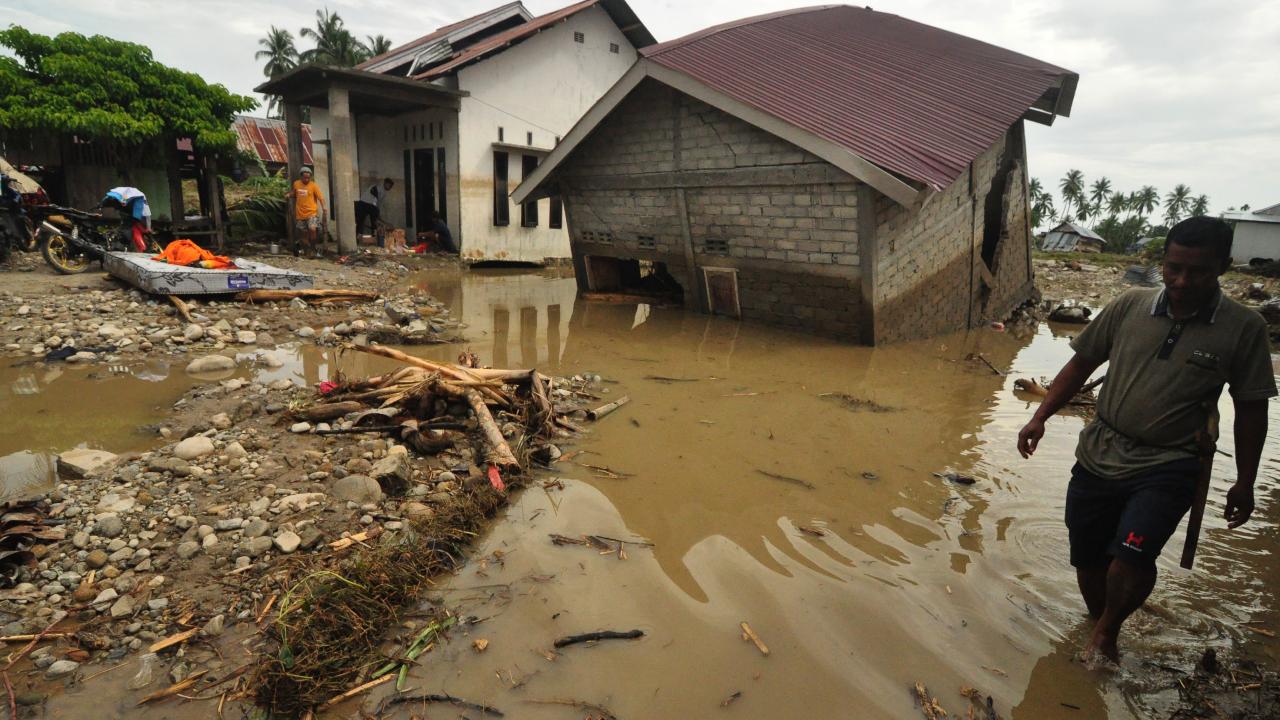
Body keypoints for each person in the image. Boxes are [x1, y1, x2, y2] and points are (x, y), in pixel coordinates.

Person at [1017, 216, 1274, 663]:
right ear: (1163, 261)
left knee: (1131, 559)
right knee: (1088, 558)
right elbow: (1081, 365)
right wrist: (1040, 416)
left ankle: (1107, 632)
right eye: (1173, 267)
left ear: (1223, 267)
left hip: (1170, 462)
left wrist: (1245, 481)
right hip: (1100, 450)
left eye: (1197, 271)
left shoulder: (1243, 327)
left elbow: (1252, 408)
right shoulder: (1129, 305)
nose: (1181, 280)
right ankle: (1100, 619)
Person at [287, 167, 326, 257]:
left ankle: (313, 248)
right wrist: (289, 195)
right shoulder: (296, 184)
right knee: (303, 235)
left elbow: (321, 197)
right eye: (305, 177)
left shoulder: (313, 186)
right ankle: (308, 250)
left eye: (308, 178)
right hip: (300, 214)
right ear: (301, 177)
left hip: (311, 213)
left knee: (312, 229)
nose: (306, 179)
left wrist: (324, 207)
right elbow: (294, 193)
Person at [100, 187, 151, 252]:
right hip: (132, 221)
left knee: (129, 233)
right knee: (129, 234)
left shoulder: (136, 201)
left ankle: (122, 247)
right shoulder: (129, 200)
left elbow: (143, 215)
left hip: (133, 222)